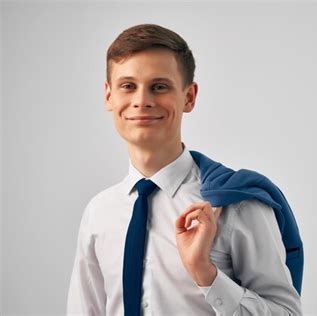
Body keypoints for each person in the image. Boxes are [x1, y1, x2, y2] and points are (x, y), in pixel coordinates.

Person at [66, 23, 302, 315]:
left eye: (159, 86)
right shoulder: (98, 213)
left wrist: (206, 274)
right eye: (128, 86)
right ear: (108, 96)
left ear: (189, 97)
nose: (142, 101)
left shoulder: (234, 204)